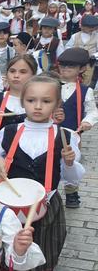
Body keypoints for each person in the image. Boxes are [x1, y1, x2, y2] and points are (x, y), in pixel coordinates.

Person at [0, 75, 83, 271]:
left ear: (57, 105)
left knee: (38, 267)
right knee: (4, 261)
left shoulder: (65, 136)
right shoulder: (7, 133)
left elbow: (73, 179)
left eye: (46, 101)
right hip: (8, 209)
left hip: (47, 211)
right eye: (32, 100)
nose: (38, 106)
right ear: (23, 101)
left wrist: (69, 163)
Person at [55, 48, 97, 209]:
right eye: (63, 65)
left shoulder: (86, 91)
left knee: (70, 163)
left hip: (72, 135)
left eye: (70, 66)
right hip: (50, 132)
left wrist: (88, 121)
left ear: (81, 69)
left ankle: (71, 192)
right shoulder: (51, 85)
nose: (65, 69)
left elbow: (92, 111)